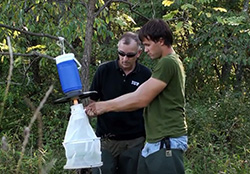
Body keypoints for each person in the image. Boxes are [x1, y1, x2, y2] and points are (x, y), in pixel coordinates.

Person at [86, 19, 188, 174]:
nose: (146, 50)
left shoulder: (168, 63)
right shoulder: (166, 63)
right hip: (155, 142)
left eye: (147, 45)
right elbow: (137, 94)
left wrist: (103, 106)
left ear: (161, 41)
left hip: (166, 140)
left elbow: (141, 98)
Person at [89, 32, 152, 174]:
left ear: (139, 53)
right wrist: (90, 111)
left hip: (134, 140)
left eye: (130, 55)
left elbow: (150, 106)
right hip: (106, 140)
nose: (124, 59)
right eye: (121, 53)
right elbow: (92, 100)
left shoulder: (146, 75)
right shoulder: (104, 70)